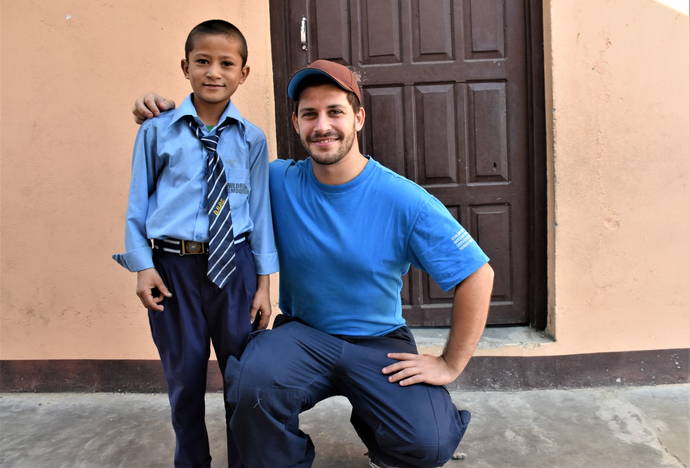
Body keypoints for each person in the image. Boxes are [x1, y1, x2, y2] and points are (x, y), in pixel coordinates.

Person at [133, 59, 494, 468]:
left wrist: (450, 363)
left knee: (428, 444)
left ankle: (380, 420)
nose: (323, 125)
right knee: (251, 381)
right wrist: (168, 117)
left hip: (377, 342)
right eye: (310, 114)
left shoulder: (404, 201)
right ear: (296, 123)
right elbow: (206, 167)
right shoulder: (274, 181)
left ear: (358, 118)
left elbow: (477, 274)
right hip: (303, 336)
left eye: (335, 112)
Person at [114, 20, 278, 468]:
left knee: (241, 377)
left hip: (236, 268)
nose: (214, 72)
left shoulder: (252, 139)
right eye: (202, 62)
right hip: (173, 270)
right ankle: (191, 461)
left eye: (227, 63)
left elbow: (260, 213)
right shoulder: (156, 130)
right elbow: (137, 202)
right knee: (183, 378)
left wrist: (264, 284)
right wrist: (142, 266)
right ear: (185, 67)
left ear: (244, 73)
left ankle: (245, 460)